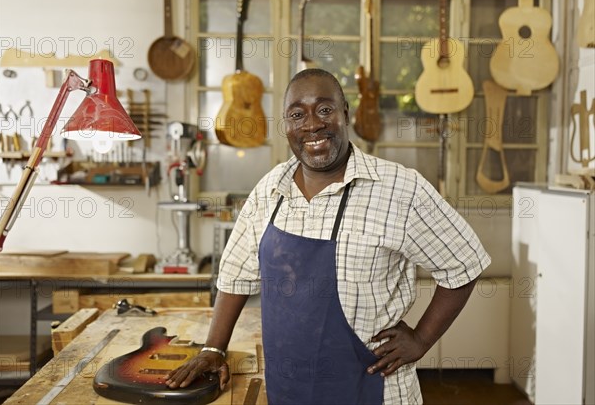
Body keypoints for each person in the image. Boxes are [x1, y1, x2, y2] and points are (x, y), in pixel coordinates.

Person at [165, 68, 491, 404]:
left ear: (344, 113)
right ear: (286, 126)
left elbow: (464, 264)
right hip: (287, 389)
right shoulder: (270, 189)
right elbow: (236, 274)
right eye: (297, 114)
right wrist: (213, 348)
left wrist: (422, 338)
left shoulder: (400, 189)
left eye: (324, 109)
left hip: (372, 390)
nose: (312, 124)